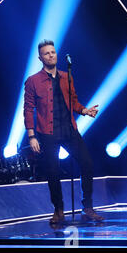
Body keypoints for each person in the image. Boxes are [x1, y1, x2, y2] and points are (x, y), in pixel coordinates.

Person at [23, 39, 104, 224]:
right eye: (46, 53)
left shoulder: (66, 76)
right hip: (47, 132)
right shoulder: (33, 81)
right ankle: (58, 210)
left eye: (53, 52)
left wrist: (84, 110)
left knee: (87, 163)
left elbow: (73, 101)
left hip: (69, 129)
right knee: (52, 171)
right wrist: (32, 135)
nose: (51, 55)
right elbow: (28, 109)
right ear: (40, 57)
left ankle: (88, 206)